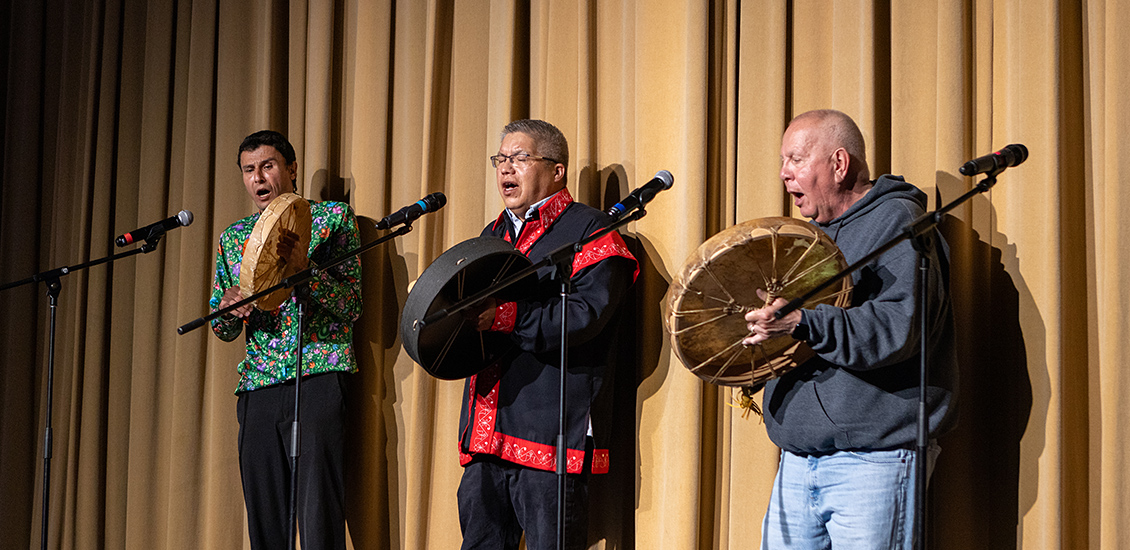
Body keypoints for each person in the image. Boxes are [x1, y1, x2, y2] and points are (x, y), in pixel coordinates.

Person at [742, 110, 958, 549]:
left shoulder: (899, 223)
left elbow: (900, 327)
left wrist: (803, 321)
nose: (784, 174)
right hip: (798, 461)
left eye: (796, 160)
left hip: (874, 462)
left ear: (839, 164)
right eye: (783, 162)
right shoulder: (806, 239)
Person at [456, 119, 638, 550]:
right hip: (485, 433)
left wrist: (507, 317)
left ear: (557, 171)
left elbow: (586, 316)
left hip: (549, 434)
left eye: (520, 158)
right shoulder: (494, 234)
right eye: (501, 159)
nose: (506, 169)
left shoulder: (590, 231)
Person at [209, 130, 362, 550]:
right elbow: (222, 330)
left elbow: (351, 305)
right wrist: (226, 308)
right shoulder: (234, 237)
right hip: (258, 386)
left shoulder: (331, 220)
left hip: (317, 373)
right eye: (249, 170)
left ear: (290, 169)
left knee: (318, 514)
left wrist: (304, 270)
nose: (259, 177)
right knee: (265, 519)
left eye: (268, 166)